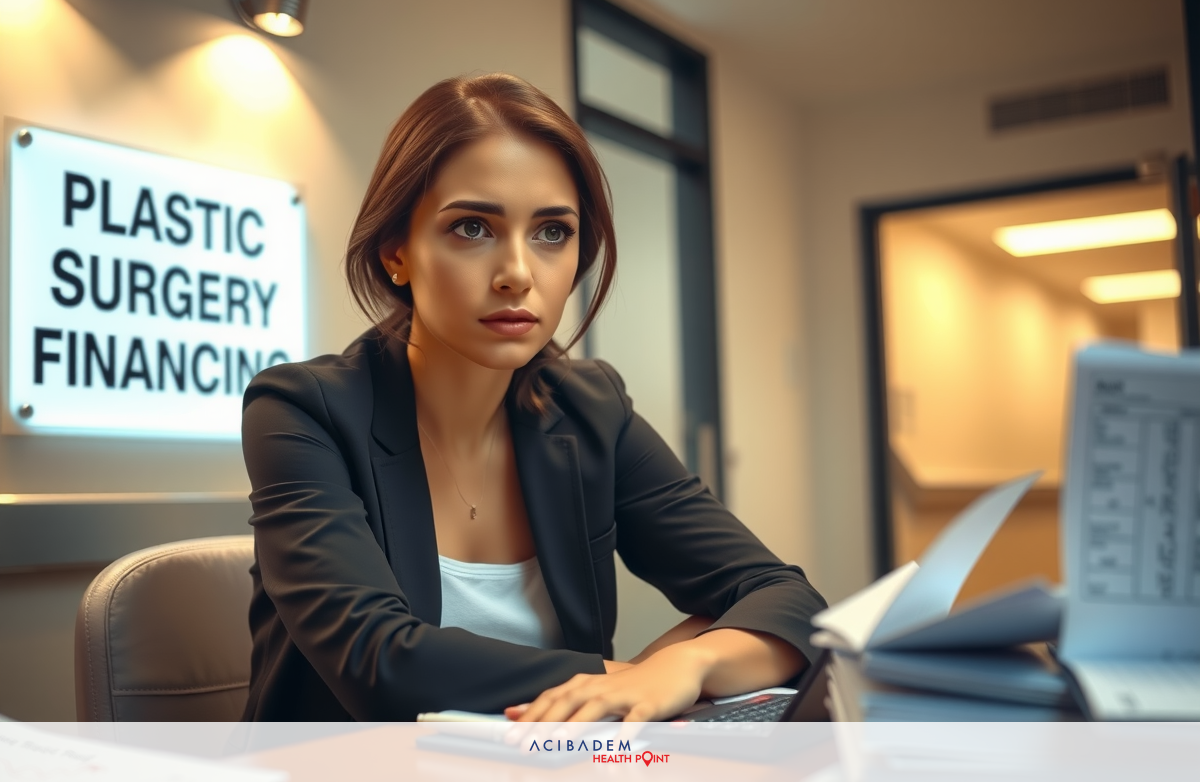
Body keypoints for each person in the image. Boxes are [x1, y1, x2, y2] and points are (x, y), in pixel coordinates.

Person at [240, 73, 827, 722]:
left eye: (552, 232)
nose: (518, 273)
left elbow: (787, 599)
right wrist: (628, 677)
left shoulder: (590, 408)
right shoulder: (302, 411)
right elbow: (382, 664)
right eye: (471, 227)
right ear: (396, 253)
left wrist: (686, 666)